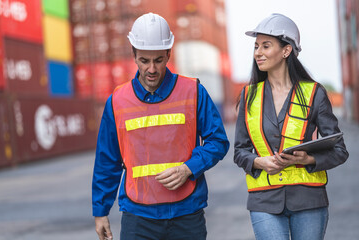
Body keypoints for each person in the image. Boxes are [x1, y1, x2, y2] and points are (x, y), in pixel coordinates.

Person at [92, 12, 229, 240]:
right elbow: (108, 159)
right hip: (138, 216)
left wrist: (188, 168)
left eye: (158, 60)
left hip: (186, 213)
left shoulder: (193, 92)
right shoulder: (117, 101)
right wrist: (100, 211)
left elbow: (218, 141)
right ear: (134, 55)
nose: (152, 69)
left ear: (168, 54)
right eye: (144, 61)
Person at [234, 13, 349, 240]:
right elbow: (239, 151)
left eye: (266, 46)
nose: (258, 52)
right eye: (256, 46)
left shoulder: (314, 93)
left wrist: (306, 160)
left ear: (286, 51)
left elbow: (339, 151)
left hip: (308, 199)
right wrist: (259, 162)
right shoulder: (249, 96)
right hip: (263, 199)